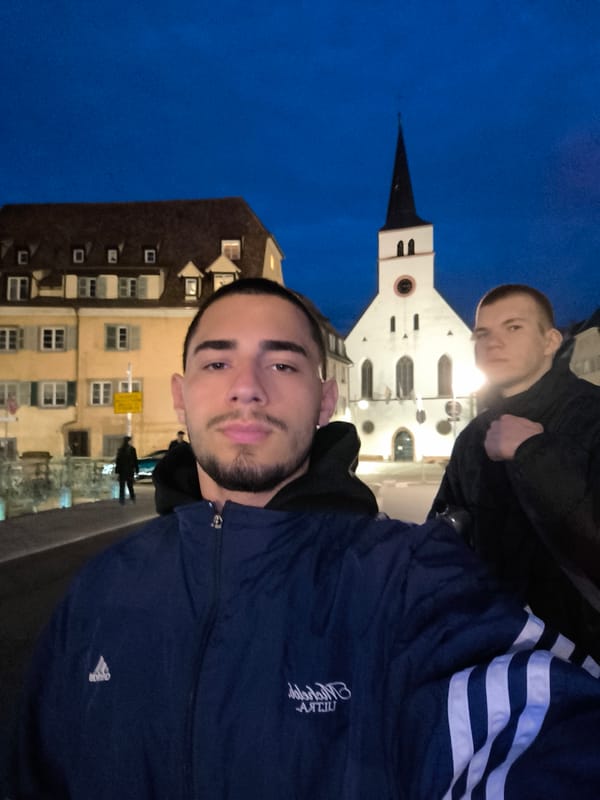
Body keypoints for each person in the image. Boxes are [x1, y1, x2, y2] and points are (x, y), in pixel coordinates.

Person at [13, 279, 600, 799]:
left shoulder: (408, 578)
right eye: (217, 364)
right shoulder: (100, 589)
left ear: (325, 401)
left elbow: (539, 725)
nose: (247, 388)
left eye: (284, 365)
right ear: (179, 395)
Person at [429, 283, 600, 660]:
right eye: (482, 334)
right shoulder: (474, 436)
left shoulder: (591, 415)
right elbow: (444, 539)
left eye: (514, 327)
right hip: (496, 653)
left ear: (550, 341)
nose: (493, 342)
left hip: (583, 660)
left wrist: (533, 454)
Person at [114, 435, 138, 504]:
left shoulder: (124, 450)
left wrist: (117, 471)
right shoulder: (127, 449)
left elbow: (118, 461)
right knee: (127, 485)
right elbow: (118, 461)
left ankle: (126, 499)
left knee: (127, 485)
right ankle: (129, 498)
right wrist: (136, 469)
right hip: (127, 470)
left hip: (126, 470)